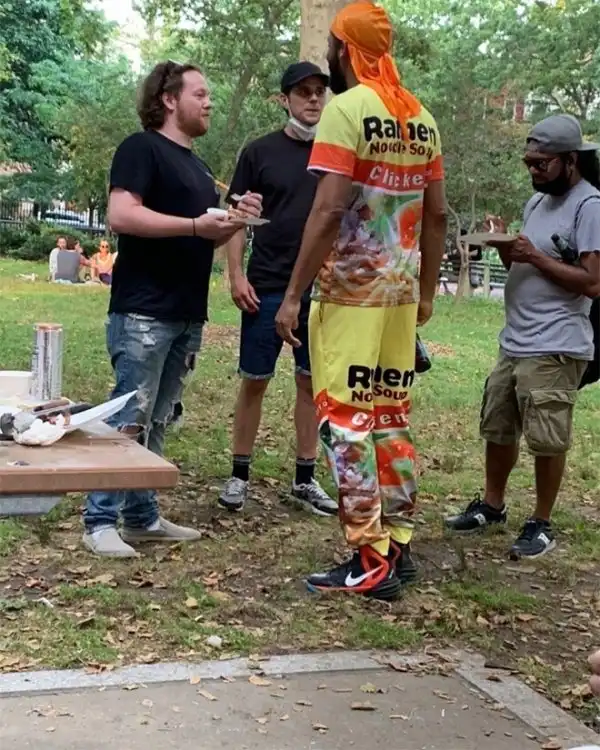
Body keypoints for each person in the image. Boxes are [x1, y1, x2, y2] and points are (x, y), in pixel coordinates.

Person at [275, 0, 447, 599]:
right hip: (398, 300)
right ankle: (397, 543)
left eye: (332, 43)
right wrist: (425, 295)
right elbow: (437, 214)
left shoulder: (346, 111)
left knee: (346, 424)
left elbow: (327, 210)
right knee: (390, 418)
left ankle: (370, 559)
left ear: (344, 49)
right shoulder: (421, 118)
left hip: (350, 296)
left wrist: (292, 295)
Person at [83, 60, 262, 557]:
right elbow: (122, 215)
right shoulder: (141, 148)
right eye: (199, 94)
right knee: (130, 412)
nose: (209, 102)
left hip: (186, 311)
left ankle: (141, 517)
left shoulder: (199, 168)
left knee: (159, 417)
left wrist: (236, 221)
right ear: (168, 99)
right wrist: (194, 226)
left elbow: (203, 238)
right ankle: (99, 520)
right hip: (143, 311)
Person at [445, 114, 600, 559]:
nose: (533, 170)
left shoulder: (589, 206)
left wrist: (533, 256)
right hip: (515, 339)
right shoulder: (536, 203)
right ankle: (492, 506)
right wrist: (505, 249)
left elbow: (592, 282)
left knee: (547, 436)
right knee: (498, 425)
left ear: (570, 161)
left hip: (556, 342)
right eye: (528, 162)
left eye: (541, 163)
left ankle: (541, 522)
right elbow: (523, 264)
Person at [218, 62, 336, 516]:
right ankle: (239, 475)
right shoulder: (259, 152)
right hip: (265, 284)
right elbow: (236, 219)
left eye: (319, 91)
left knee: (310, 382)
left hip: (319, 290)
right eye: (303, 92)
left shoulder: (335, 153)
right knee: (254, 380)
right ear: (284, 99)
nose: (313, 99)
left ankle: (305, 479)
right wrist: (236, 275)